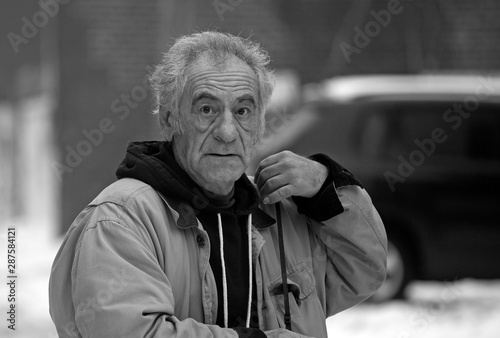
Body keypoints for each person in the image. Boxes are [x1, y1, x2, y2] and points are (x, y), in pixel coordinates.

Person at [49, 31, 387, 338]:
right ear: (170, 119)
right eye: (207, 109)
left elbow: (365, 270)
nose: (227, 132)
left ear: (259, 125)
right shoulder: (121, 220)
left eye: (243, 111)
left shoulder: (280, 209)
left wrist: (326, 186)